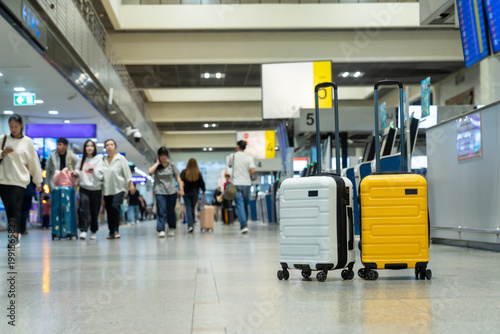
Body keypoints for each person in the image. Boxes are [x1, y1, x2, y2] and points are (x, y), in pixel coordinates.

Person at [0, 114, 43, 248]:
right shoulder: (3, 139)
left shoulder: (27, 142)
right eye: (11, 127)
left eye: (16, 126)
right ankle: (14, 234)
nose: (14, 129)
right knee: (9, 209)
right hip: (3, 180)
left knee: (15, 208)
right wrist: (3, 153)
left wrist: (38, 182)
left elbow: (33, 163)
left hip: (19, 181)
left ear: (21, 125)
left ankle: (14, 236)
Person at [102, 139, 134, 240]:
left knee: (115, 206)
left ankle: (116, 230)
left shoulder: (121, 158)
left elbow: (127, 172)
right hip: (107, 189)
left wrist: (130, 184)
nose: (109, 147)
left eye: (111, 144)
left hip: (119, 188)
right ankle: (111, 231)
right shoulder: (103, 160)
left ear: (115, 146)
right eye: (107, 145)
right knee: (109, 210)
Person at [149, 146, 184, 237]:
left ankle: (171, 228)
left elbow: (178, 178)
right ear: (159, 156)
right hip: (160, 191)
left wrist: (181, 189)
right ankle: (161, 230)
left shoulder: (172, 165)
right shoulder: (156, 166)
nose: (163, 157)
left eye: (165, 155)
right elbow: (150, 172)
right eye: (161, 155)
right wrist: (157, 163)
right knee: (161, 210)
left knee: (170, 211)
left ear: (167, 156)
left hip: (171, 192)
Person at [74, 139, 103, 240]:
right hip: (84, 188)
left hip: (96, 189)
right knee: (83, 209)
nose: (89, 148)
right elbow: (77, 170)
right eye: (87, 146)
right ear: (85, 148)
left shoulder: (98, 160)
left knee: (94, 211)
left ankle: (94, 231)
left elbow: (100, 176)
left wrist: (94, 172)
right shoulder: (81, 160)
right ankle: (83, 230)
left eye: (91, 146)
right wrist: (76, 173)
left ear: (94, 148)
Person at [228, 140, 255, 234]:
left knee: (239, 205)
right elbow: (252, 170)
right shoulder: (249, 158)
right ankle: (244, 224)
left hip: (236, 183)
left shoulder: (232, 156)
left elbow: (230, 165)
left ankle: (243, 225)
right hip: (247, 183)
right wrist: (247, 174)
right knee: (245, 205)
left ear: (238, 146)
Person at [180, 158, 205, 233]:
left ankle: (190, 225)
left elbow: (180, 181)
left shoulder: (184, 172)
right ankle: (191, 224)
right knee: (192, 208)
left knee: (188, 208)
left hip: (186, 193)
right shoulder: (198, 173)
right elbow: (202, 183)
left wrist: (181, 189)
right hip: (195, 193)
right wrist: (203, 190)